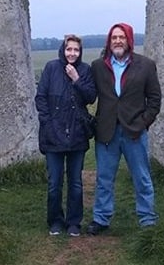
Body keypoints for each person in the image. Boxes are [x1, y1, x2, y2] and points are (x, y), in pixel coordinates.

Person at [87, 22, 161, 234]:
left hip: (134, 131)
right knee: (104, 178)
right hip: (106, 132)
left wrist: (143, 122)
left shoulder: (146, 65)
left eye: (121, 37)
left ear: (129, 40)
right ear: (109, 42)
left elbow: (155, 99)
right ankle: (101, 219)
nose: (117, 41)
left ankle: (147, 219)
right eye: (113, 38)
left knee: (142, 177)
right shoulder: (98, 66)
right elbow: (89, 93)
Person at [35, 34, 97, 237]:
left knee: (76, 182)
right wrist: (47, 122)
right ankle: (55, 220)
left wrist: (76, 79)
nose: (72, 53)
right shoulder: (51, 68)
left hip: (77, 134)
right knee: (54, 183)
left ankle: (73, 222)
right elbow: (41, 97)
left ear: (80, 52)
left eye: (76, 50)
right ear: (63, 49)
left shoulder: (85, 70)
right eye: (69, 49)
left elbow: (90, 97)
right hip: (53, 134)